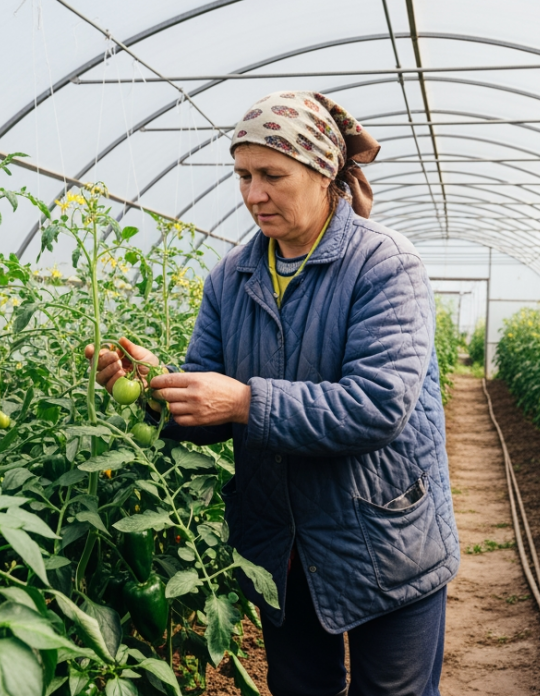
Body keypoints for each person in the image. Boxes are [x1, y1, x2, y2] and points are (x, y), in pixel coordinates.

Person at [87, 90, 458, 696]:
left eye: (272, 175)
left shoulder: (385, 265)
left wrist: (243, 402)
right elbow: (211, 409)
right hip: (282, 544)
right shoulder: (231, 277)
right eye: (243, 176)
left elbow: (377, 405)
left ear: (324, 173)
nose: (254, 194)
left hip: (386, 539)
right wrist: (157, 386)